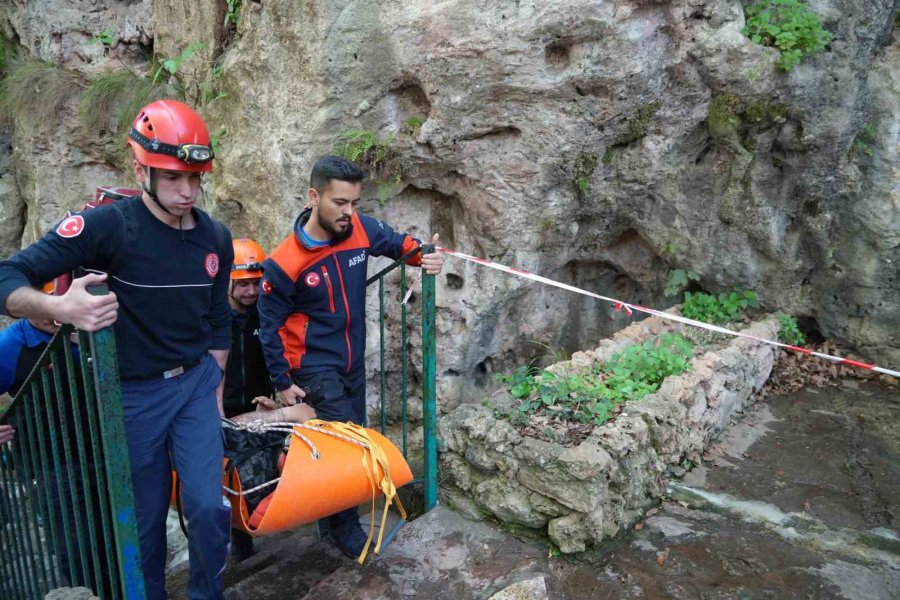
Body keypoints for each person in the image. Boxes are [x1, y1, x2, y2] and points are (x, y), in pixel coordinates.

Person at [0, 99, 233, 599]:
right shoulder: (109, 226)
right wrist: (58, 306)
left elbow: (218, 319)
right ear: (141, 170)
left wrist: (216, 387)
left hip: (195, 384)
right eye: (172, 177)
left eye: (195, 178)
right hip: (132, 396)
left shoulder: (216, 237)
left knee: (207, 507)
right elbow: (8, 276)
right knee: (143, 521)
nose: (187, 191)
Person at [256, 155, 443, 558]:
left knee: (343, 439)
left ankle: (329, 518)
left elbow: (399, 244)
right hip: (312, 368)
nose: (348, 212)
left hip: (352, 360)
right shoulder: (284, 262)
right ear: (313, 197)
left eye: (354, 202)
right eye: (340, 202)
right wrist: (283, 382)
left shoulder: (361, 229)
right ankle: (344, 528)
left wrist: (423, 255)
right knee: (349, 444)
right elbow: (268, 327)